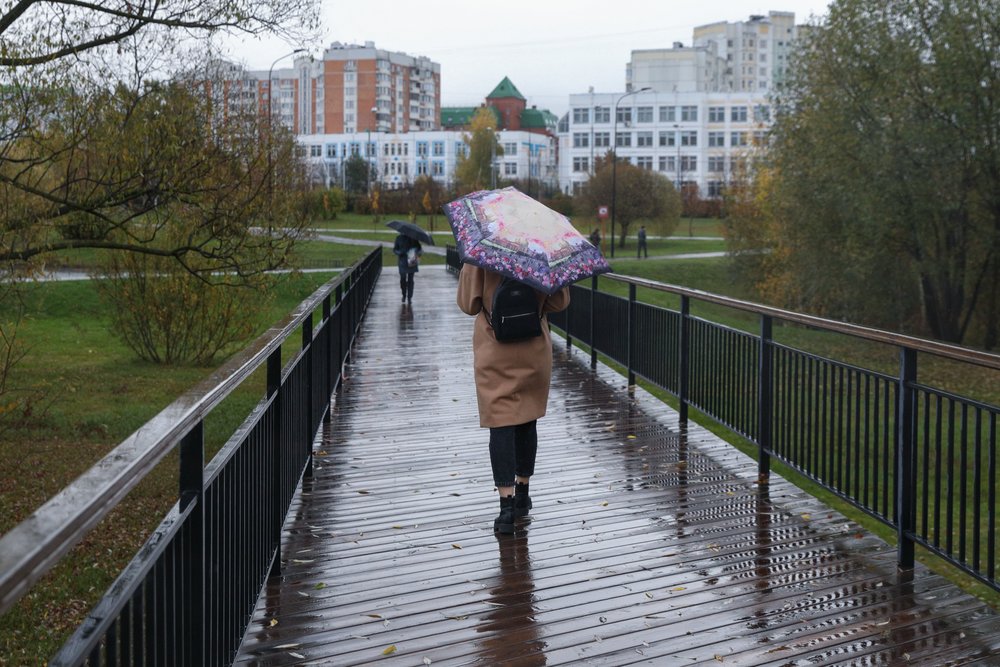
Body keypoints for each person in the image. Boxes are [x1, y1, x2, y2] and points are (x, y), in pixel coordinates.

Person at [456, 264, 570, 534]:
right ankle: (523, 492)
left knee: (501, 423)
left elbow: (467, 304)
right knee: (527, 419)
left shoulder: (481, 256)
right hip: (533, 348)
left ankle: (505, 508)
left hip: (495, 346)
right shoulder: (541, 252)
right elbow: (560, 301)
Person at [392, 233, 422, 303]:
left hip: (412, 261)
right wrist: (400, 253)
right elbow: (395, 250)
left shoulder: (414, 238)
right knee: (402, 279)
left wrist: (417, 252)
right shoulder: (399, 238)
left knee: (410, 280)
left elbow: (419, 248)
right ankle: (404, 295)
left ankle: (409, 297)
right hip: (402, 262)